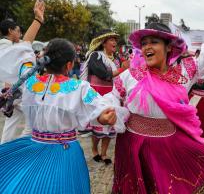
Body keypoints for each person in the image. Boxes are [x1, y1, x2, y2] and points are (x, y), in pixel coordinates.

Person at [107, 0, 204, 193]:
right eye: (144, 43)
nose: (147, 47)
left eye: (154, 42)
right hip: (132, 144)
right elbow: (112, 96)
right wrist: (108, 111)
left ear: (169, 47)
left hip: (167, 145)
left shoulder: (184, 71)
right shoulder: (131, 75)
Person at [0, 38, 119, 193]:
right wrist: (103, 118)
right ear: (69, 65)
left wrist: (37, 20)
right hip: (64, 152)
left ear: (45, 60)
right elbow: (101, 110)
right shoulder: (78, 88)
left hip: (34, 145)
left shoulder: (29, 82)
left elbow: (23, 58)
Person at [80, 29, 128, 164]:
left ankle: (104, 153)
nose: (114, 42)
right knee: (98, 125)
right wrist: (123, 69)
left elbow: (122, 78)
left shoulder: (117, 59)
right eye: (111, 40)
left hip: (113, 96)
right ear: (103, 43)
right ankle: (95, 149)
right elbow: (103, 74)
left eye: (115, 40)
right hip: (97, 96)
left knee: (110, 125)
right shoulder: (96, 56)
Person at [0, 1, 44, 144]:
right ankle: (18, 151)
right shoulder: (5, 46)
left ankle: (5, 153)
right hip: (14, 93)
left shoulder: (9, 47)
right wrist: (37, 20)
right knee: (32, 125)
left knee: (12, 125)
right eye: (18, 31)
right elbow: (25, 46)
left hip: (12, 94)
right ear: (10, 31)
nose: (20, 34)